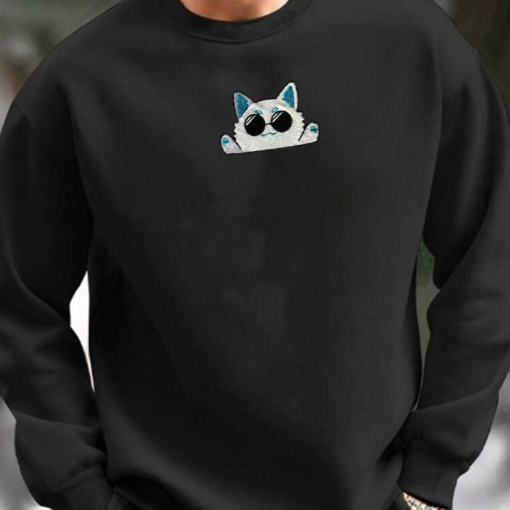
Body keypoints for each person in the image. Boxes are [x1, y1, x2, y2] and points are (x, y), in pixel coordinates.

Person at [0, 0, 509, 509]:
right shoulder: (82, 81)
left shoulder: (413, 45)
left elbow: (491, 255)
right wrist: (79, 486)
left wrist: (431, 474)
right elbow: (17, 302)